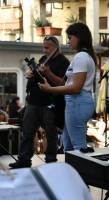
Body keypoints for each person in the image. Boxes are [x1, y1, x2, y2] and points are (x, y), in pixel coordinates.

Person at [9, 36, 70, 169]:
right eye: (43, 47)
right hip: (34, 100)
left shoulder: (64, 62)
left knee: (50, 133)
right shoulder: (43, 59)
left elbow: (62, 83)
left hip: (50, 102)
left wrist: (47, 72)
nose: (44, 50)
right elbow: (37, 76)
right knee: (27, 131)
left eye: (47, 48)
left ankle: (50, 160)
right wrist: (30, 74)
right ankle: (24, 159)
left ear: (56, 47)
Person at [38, 22, 97, 151]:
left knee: (78, 148)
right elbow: (66, 84)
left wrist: (49, 89)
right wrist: (47, 76)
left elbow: (76, 87)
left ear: (79, 37)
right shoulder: (84, 56)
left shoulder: (81, 57)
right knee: (69, 147)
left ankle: (82, 171)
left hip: (77, 103)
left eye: (70, 38)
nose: (68, 41)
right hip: (78, 102)